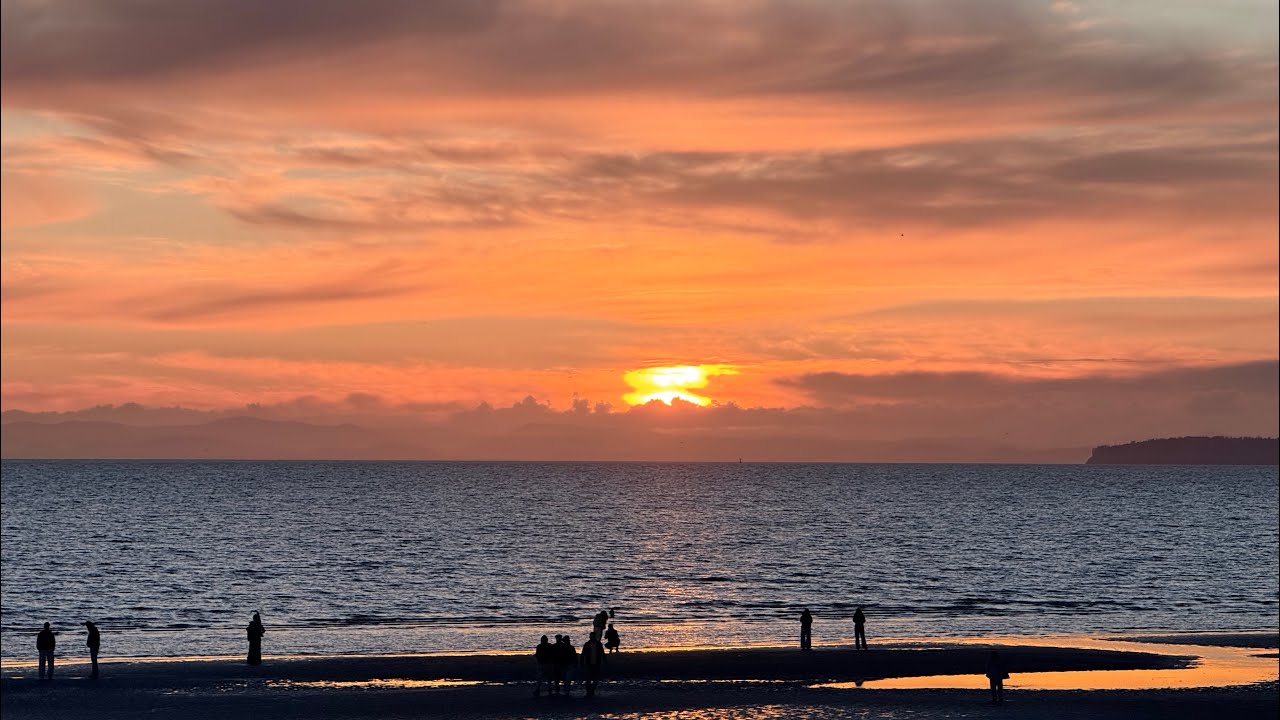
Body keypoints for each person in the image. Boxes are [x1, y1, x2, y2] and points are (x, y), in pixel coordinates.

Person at [580, 630, 608, 697]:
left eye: (593, 636)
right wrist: (581, 662)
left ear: (595, 637)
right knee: (588, 679)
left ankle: (592, 690)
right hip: (588, 663)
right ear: (590, 637)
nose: (592, 638)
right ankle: (588, 691)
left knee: (595, 679)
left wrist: (605, 661)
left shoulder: (599, 644)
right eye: (591, 636)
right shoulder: (587, 644)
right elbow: (583, 653)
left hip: (596, 663)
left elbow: (602, 653)